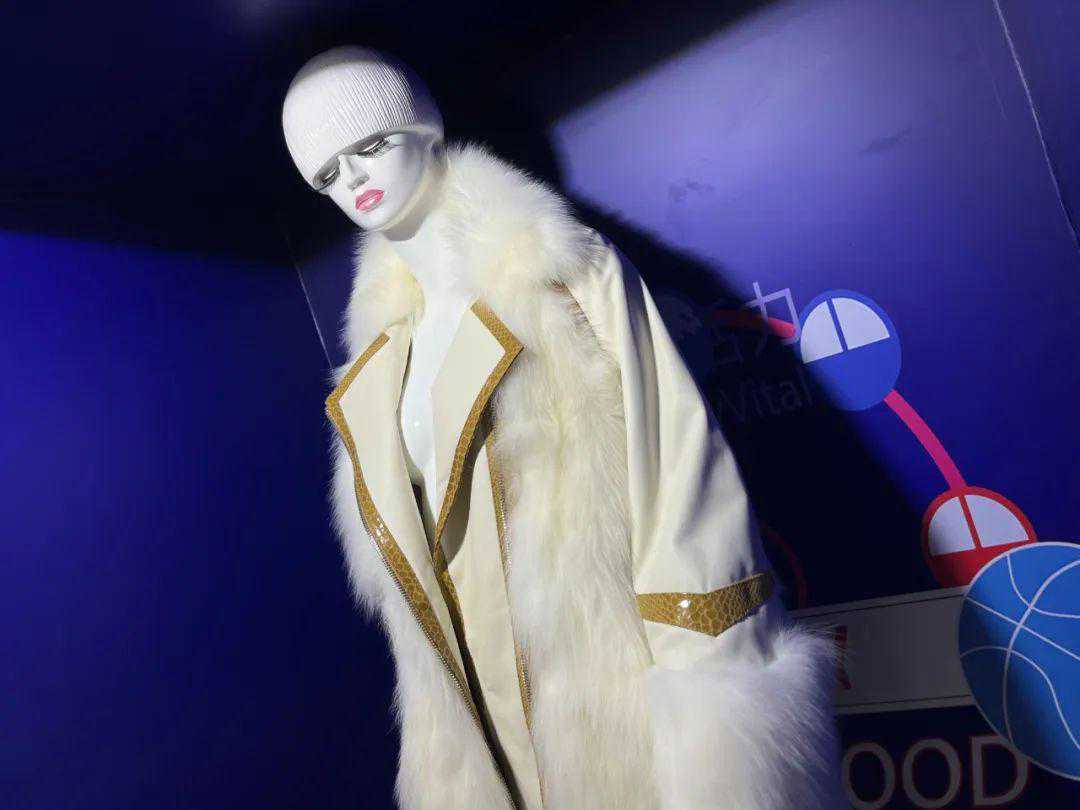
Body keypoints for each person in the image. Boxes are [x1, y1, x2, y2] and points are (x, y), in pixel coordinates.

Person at [282, 45, 841, 810]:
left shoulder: (562, 281)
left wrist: (715, 719)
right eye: (326, 172)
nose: (354, 179)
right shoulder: (377, 365)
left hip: (613, 734)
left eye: (371, 144)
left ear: (423, 126)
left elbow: (680, 480)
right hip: (485, 761)